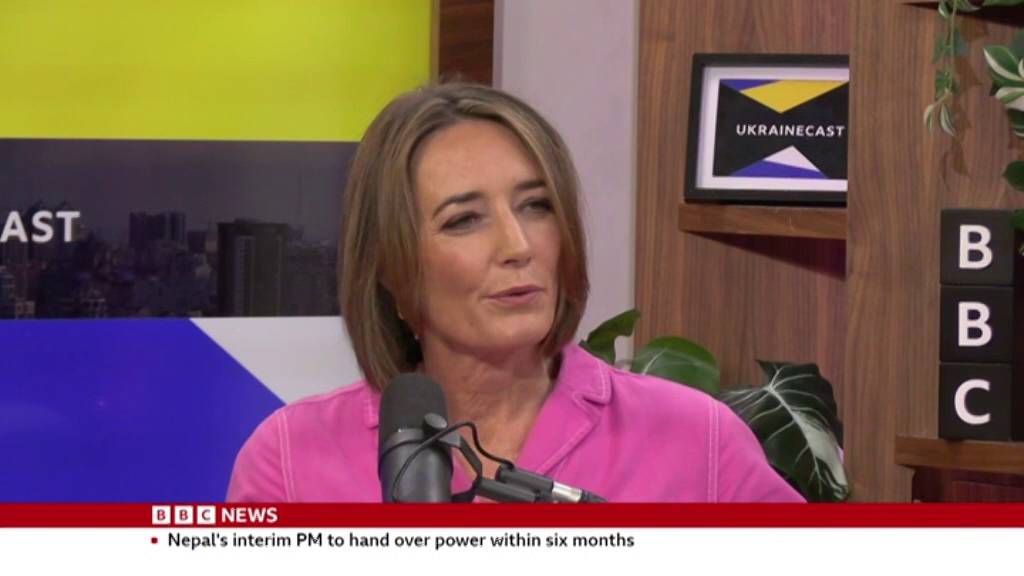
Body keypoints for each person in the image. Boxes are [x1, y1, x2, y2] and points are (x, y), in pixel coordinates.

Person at [227, 83, 803, 503]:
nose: (518, 245)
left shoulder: (696, 439)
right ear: (389, 268)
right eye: (464, 220)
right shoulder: (291, 459)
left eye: (536, 206)